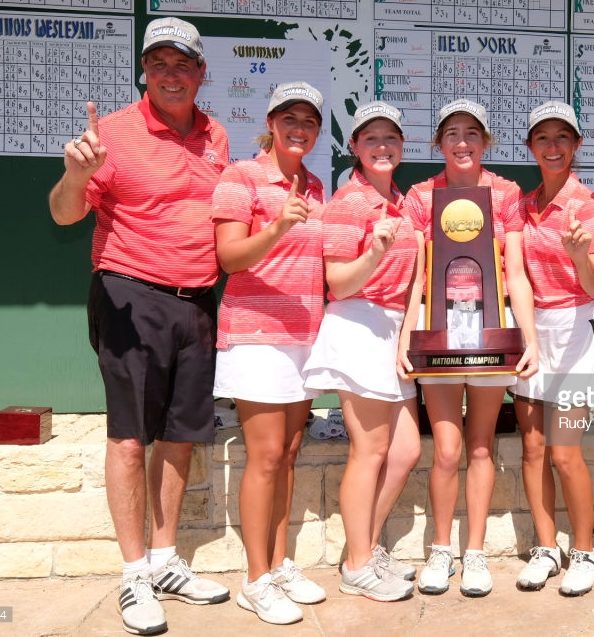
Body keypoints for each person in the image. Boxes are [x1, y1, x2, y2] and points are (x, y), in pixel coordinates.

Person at [48, 17, 230, 636]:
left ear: (201, 72)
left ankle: (163, 559)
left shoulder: (217, 136)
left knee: (179, 436)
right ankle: (133, 576)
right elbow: (65, 213)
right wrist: (76, 173)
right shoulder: (115, 134)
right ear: (144, 72)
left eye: (182, 64)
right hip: (130, 293)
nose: (171, 75)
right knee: (129, 438)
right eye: (159, 64)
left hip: (199, 299)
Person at [400, 98, 539, 597]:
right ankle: (441, 548)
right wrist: (406, 336)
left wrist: (530, 337)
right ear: (438, 143)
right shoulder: (420, 195)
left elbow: (517, 272)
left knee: (480, 445)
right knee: (447, 449)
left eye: (472, 133)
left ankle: (474, 552)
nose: (462, 142)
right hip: (438, 334)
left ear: (486, 142)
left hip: (490, 333)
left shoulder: (505, 193)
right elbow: (416, 277)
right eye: (452, 133)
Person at [211, 81, 328, 624]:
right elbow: (230, 258)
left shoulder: (318, 187)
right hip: (255, 335)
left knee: (287, 454)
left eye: (309, 120)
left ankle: (278, 563)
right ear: (272, 122)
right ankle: (255, 579)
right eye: (290, 118)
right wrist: (279, 225)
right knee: (263, 457)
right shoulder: (241, 176)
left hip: (304, 338)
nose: (299, 127)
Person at [302, 101, 420, 602]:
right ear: (354, 147)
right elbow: (339, 283)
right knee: (369, 451)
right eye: (371, 138)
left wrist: (409, 332)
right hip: (359, 323)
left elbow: (418, 277)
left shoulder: (405, 202)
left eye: (390, 137)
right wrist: (373, 252)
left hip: (395, 330)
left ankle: (365, 547)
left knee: (406, 450)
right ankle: (356, 564)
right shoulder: (347, 204)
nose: (382, 146)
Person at [511, 101, 594, 595]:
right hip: (533, 331)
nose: (552, 147)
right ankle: (547, 546)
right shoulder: (525, 205)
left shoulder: (589, 205)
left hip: (576, 329)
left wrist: (579, 255)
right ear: (531, 147)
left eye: (562, 138)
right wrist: (528, 336)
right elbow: (520, 279)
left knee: (565, 452)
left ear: (576, 145)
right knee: (533, 447)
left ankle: (584, 550)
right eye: (542, 139)